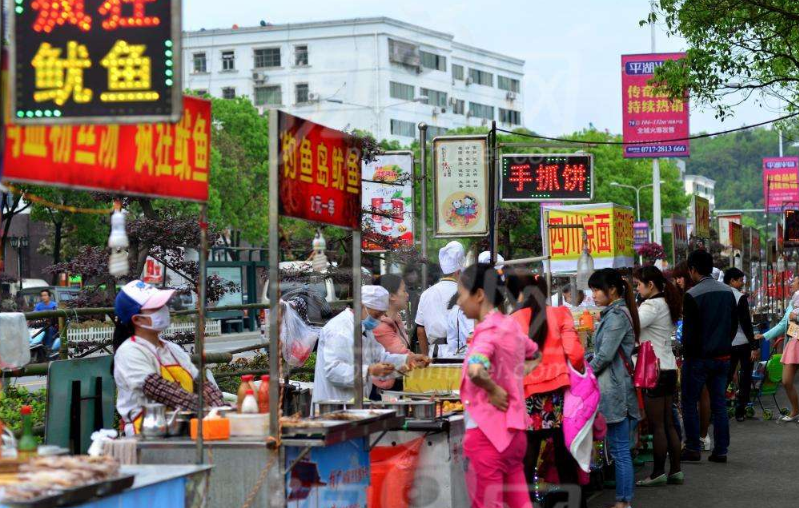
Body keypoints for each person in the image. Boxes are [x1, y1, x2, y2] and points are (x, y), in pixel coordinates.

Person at [458, 263, 539, 508]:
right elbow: (535, 354)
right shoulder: (510, 326)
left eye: (461, 295)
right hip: (514, 434)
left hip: (486, 436)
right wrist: (514, 377)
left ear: (479, 294)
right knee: (520, 502)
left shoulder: (487, 332)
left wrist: (493, 388)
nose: (459, 302)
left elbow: (475, 369)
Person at [507, 271, 587, 507]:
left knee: (528, 455)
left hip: (528, 395)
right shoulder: (561, 314)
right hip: (559, 394)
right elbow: (576, 354)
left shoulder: (512, 321)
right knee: (564, 453)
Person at [113, 280, 225, 436]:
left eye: (163, 305)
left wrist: (220, 408)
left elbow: (200, 383)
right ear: (137, 319)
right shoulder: (129, 352)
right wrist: (205, 408)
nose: (164, 310)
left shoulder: (172, 349)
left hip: (181, 429)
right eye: (156, 308)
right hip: (146, 433)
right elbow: (159, 389)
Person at [313, 285, 430, 404]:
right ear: (362, 306)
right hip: (333, 404)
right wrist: (369, 371)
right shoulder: (339, 329)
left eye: (382, 315)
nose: (379, 319)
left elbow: (381, 357)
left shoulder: (365, 329)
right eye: (376, 315)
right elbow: (333, 371)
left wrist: (408, 359)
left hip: (356, 403)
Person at [680, 250, 738, 463]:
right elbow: (733, 325)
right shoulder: (727, 292)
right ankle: (720, 450)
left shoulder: (692, 295)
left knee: (689, 402)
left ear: (693, 269)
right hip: (723, 357)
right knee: (719, 405)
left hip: (698, 359)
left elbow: (689, 333)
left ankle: (693, 447)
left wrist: (689, 356)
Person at [588, 268, 640, 508]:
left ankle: (623, 502)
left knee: (619, 450)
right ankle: (623, 501)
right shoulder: (614, 313)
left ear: (612, 290)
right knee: (620, 449)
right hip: (616, 387)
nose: (594, 295)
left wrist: (584, 373)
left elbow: (605, 355)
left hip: (616, 389)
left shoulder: (617, 316)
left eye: (597, 289)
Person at [633, 266, 683, 487]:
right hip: (668, 368)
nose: (637, 288)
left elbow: (632, 323)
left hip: (655, 369)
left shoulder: (651, 305)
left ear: (650, 285)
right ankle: (675, 471)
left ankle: (657, 473)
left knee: (658, 426)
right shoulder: (666, 303)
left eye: (638, 284)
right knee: (669, 423)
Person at [756, 276, 799, 422]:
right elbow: (782, 325)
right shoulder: (792, 304)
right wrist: (764, 335)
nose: (791, 284)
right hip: (793, 344)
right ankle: (795, 410)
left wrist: (797, 317)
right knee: (786, 381)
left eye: (794, 281)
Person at [415, 241, 465, 356]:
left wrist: (425, 356)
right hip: (461, 352)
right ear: (458, 271)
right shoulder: (465, 293)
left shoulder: (426, 294)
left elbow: (420, 330)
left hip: (435, 352)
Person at [723, 267, 759, 422]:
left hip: (726, 343)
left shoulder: (720, 295)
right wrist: (754, 346)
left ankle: (715, 409)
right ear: (732, 280)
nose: (742, 283)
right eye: (740, 280)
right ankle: (740, 411)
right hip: (742, 343)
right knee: (745, 377)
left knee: (725, 376)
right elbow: (746, 323)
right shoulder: (740, 297)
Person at [373, 274, 412, 390]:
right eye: (404, 291)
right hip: (387, 388)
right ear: (391, 296)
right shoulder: (381, 327)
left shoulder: (395, 319)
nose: (407, 295)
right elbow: (402, 355)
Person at [445, 293, 473, 358]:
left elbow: (452, 342)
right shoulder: (466, 309)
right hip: (471, 357)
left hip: (457, 356)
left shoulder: (453, 311)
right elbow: (472, 335)